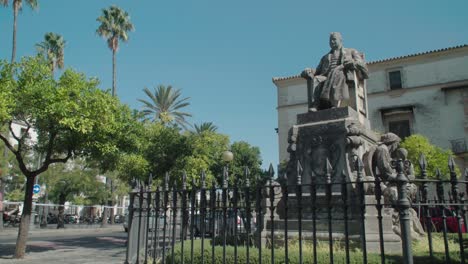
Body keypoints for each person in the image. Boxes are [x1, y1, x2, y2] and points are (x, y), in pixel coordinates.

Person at [301, 32, 369, 111]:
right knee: (316, 79)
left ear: (340, 40)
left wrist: (352, 62)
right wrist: (310, 70)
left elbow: (363, 65)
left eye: (334, 39)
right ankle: (316, 105)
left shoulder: (351, 51)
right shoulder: (325, 57)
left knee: (338, 73)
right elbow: (318, 70)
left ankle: (334, 104)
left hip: (343, 73)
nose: (332, 42)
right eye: (330, 40)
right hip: (326, 77)